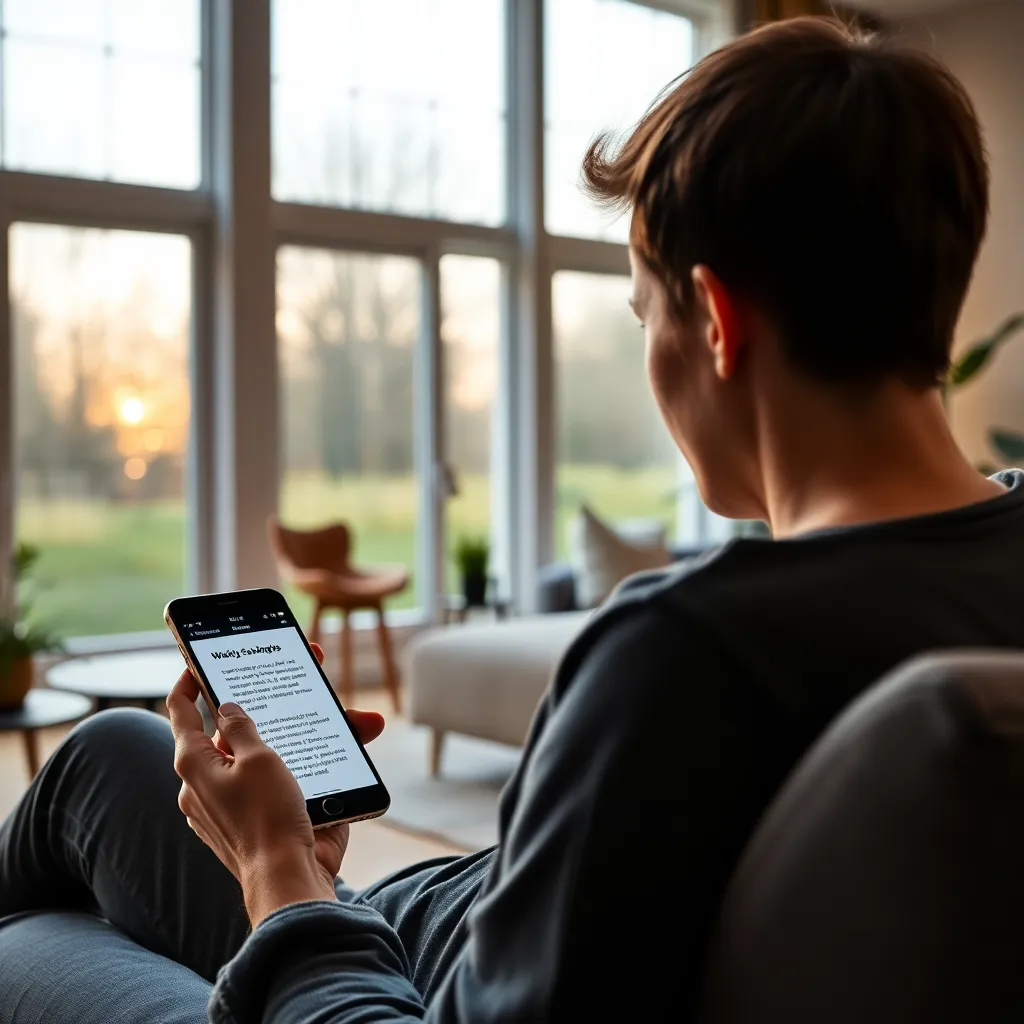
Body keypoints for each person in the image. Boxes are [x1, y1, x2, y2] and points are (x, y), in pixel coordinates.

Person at [1, 15, 1021, 1023]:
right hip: (406, 932)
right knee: (109, 759)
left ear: (715, 321)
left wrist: (277, 869)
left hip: (357, 988)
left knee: (41, 926)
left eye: (642, 316)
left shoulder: (686, 654)